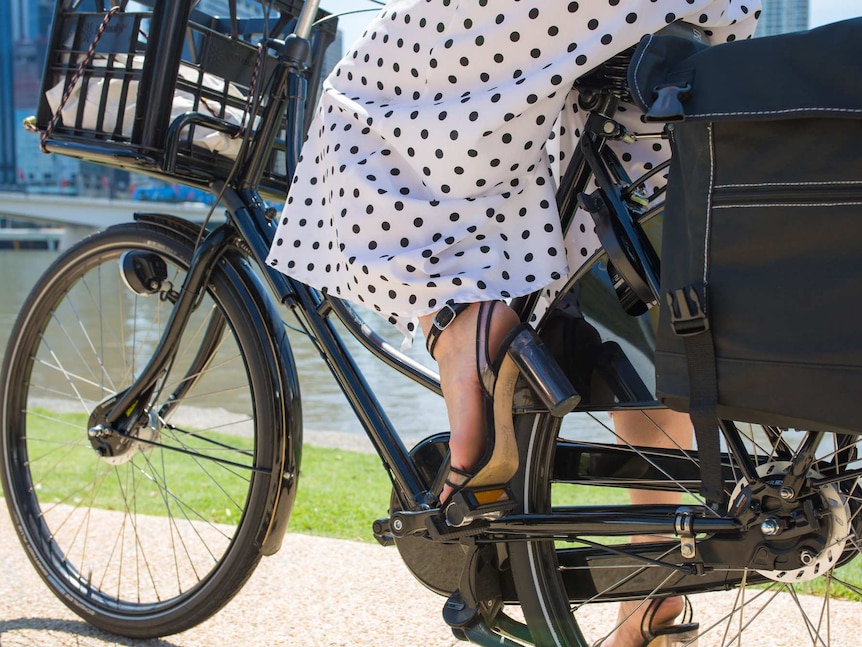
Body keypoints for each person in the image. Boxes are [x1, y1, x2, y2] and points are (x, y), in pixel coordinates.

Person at [267, 2, 760, 645]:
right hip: (702, 19)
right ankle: (652, 608)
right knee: (640, 287)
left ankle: (456, 322)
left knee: (356, 94)